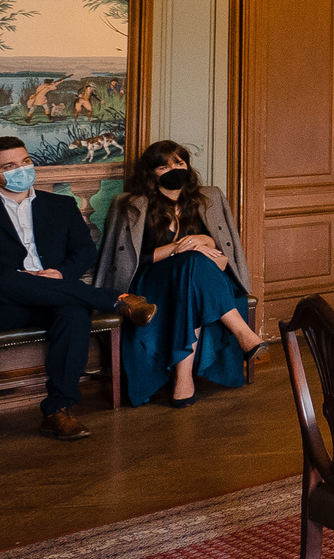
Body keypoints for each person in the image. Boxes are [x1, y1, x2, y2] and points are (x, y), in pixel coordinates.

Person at [0, 137, 154, 439]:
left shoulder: (61, 205)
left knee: (73, 313)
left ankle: (58, 411)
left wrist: (59, 273)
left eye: (25, 161)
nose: (22, 170)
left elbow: (83, 252)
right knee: (7, 278)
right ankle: (114, 300)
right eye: (9, 166)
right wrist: (18, 277)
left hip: (53, 297)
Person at [94, 141, 263, 407]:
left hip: (197, 279)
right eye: (164, 166)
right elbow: (133, 259)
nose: (174, 169)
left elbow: (223, 247)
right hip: (152, 280)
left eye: (179, 163)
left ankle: (183, 380)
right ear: (152, 173)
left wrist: (203, 241)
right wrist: (177, 248)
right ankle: (244, 334)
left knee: (192, 276)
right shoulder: (132, 204)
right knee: (192, 264)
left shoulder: (209, 198)